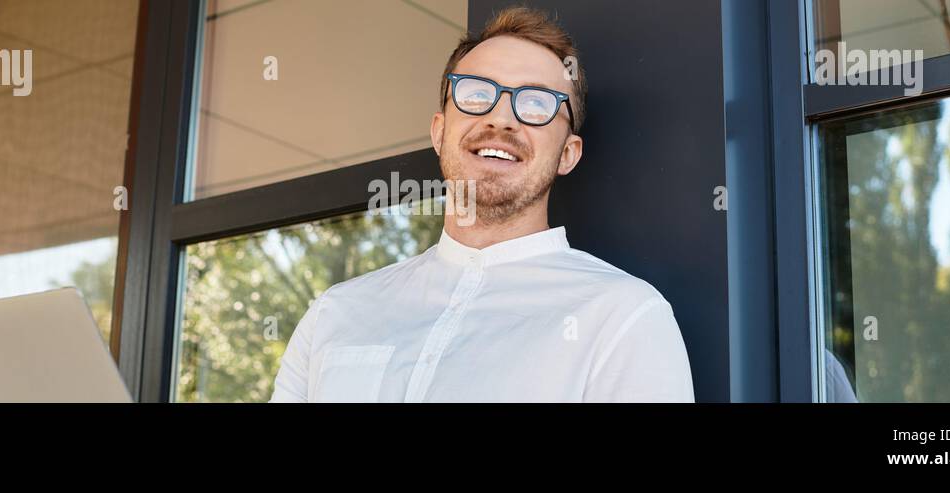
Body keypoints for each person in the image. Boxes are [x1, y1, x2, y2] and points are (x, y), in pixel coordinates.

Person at [270, 6, 694, 402]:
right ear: (439, 132)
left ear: (568, 153)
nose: (501, 119)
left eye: (535, 103)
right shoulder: (335, 313)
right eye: (475, 94)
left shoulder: (623, 318)